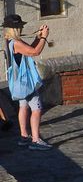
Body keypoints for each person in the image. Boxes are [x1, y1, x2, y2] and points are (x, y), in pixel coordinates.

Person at [3, 14, 51, 150]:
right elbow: (35, 52)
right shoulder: (17, 43)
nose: (22, 28)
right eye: (20, 26)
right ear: (16, 28)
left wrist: (38, 37)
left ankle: (24, 137)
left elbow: (28, 50)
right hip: (26, 83)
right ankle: (35, 140)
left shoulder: (9, 41)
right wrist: (43, 37)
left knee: (23, 107)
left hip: (19, 82)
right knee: (37, 109)